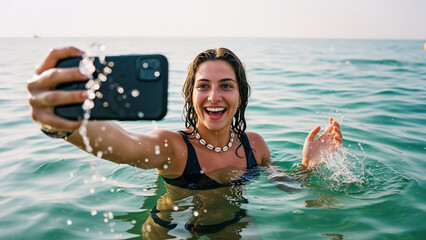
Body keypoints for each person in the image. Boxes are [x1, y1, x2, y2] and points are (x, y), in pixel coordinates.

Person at [27, 47, 342, 238]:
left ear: (240, 95)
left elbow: (289, 186)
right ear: (191, 95)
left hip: (232, 222)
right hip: (171, 227)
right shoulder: (173, 146)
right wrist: (62, 124)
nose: (214, 97)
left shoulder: (255, 145)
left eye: (226, 86)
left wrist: (308, 165)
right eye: (203, 86)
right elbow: (125, 145)